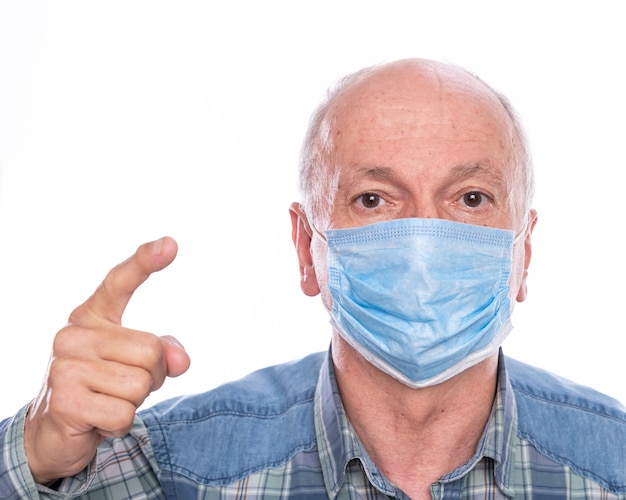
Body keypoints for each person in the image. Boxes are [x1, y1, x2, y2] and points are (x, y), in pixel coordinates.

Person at [1, 58, 624, 499]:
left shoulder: (612, 465)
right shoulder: (172, 470)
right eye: (375, 200)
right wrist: (38, 447)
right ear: (306, 247)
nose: (422, 243)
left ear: (524, 251)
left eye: (471, 198)